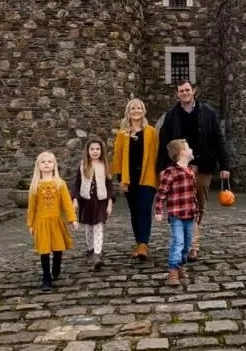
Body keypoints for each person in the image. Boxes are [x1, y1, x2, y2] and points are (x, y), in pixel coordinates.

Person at [156, 80, 230, 262]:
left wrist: (225, 165)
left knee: (199, 205)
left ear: (193, 92)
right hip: (179, 168)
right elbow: (163, 143)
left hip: (203, 166)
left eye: (187, 90)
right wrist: (161, 168)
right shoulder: (171, 116)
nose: (185, 93)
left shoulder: (208, 113)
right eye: (181, 91)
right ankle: (190, 244)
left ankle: (192, 242)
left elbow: (218, 140)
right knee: (183, 206)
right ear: (177, 94)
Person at [111, 98, 159, 261]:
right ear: (128, 111)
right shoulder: (122, 134)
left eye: (139, 108)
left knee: (145, 209)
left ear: (143, 111)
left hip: (147, 176)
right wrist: (121, 179)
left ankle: (143, 244)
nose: (136, 111)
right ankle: (139, 242)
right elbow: (117, 157)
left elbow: (157, 154)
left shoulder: (151, 132)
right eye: (133, 108)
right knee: (134, 212)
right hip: (129, 178)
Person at [27, 151, 78, 291]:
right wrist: (30, 223)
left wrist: (73, 219)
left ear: (54, 165)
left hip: (56, 222)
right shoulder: (35, 185)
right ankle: (46, 277)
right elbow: (32, 207)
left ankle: (56, 265)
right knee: (43, 250)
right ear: (38, 166)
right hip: (41, 223)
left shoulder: (60, 184)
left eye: (49, 161)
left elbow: (67, 203)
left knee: (57, 248)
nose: (46, 164)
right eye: (43, 162)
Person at [155, 139, 198, 286]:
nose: (192, 150)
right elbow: (162, 193)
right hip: (176, 214)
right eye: (189, 147)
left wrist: (196, 209)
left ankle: (180, 265)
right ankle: (172, 271)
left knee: (187, 244)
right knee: (178, 242)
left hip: (190, 214)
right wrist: (159, 210)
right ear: (182, 153)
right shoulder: (170, 172)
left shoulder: (191, 171)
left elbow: (193, 194)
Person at [71, 138, 115, 270]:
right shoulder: (83, 165)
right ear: (87, 151)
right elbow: (77, 184)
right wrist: (75, 199)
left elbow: (109, 185)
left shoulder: (105, 165)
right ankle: (90, 249)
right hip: (86, 202)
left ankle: (97, 254)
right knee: (89, 227)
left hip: (101, 201)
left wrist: (110, 203)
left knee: (98, 226)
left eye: (97, 149)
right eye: (92, 149)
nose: (95, 151)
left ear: (101, 151)